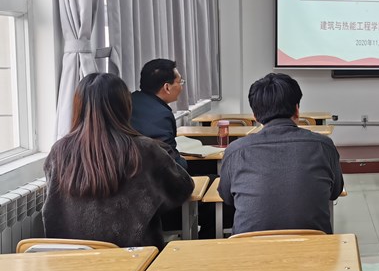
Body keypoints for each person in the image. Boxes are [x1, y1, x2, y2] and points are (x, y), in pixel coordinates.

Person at [43, 73, 193, 249]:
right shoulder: (144, 149)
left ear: (78, 106)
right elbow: (182, 188)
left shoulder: (58, 152)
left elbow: (52, 206)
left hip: (70, 258)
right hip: (135, 257)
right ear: (125, 106)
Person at [219, 72, 344, 234]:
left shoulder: (235, 151)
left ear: (255, 116)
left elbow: (227, 198)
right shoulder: (324, 146)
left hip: (250, 247)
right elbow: (335, 192)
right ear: (297, 110)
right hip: (312, 246)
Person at [130, 58, 188, 170]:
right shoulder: (161, 115)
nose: (181, 86)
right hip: (149, 176)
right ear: (167, 87)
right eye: (180, 82)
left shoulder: (130, 100)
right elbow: (169, 163)